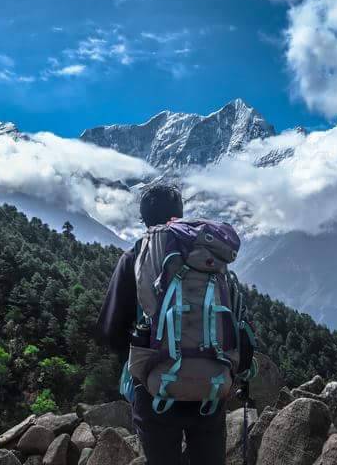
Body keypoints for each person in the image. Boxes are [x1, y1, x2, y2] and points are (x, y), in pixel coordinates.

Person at [97, 184, 251, 465]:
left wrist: (142, 356)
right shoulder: (211, 258)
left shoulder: (136, 256)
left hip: (155, 388)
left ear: (144, 220)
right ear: (180, 214)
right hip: (211, 386)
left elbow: (110, 331)